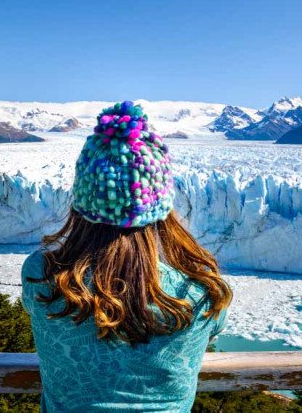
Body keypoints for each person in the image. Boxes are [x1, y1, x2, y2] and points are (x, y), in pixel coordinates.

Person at [21, 101, 232, 412]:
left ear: (82, 198)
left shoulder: (43, 275)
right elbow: (212, 330)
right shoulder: (201, 290)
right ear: (162, 206)